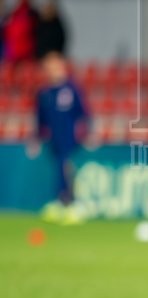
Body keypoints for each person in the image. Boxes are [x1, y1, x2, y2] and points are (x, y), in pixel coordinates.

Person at [34, 52, 90, 225]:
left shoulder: (71, 89)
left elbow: (84, 114)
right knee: (59, 169)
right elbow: (40, 120)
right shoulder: (44, 93)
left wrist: (85, 133)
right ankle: (60, 203)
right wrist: (36, 138)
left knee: (67, 168)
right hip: (53, 141)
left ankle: (73, 204)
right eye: (48, 67)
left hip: (70, 139)